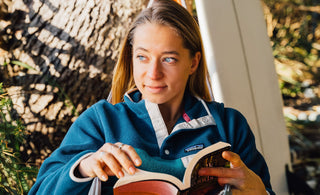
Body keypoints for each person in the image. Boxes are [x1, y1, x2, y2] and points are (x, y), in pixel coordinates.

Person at [29, 0, 275, 194]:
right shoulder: (99, 121)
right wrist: (83, 168)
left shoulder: (229, 125)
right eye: (142, 57)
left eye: (169, 59)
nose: (153, 73)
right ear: (131, 58)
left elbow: (265, 190)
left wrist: (260, 192)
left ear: (193, 63)